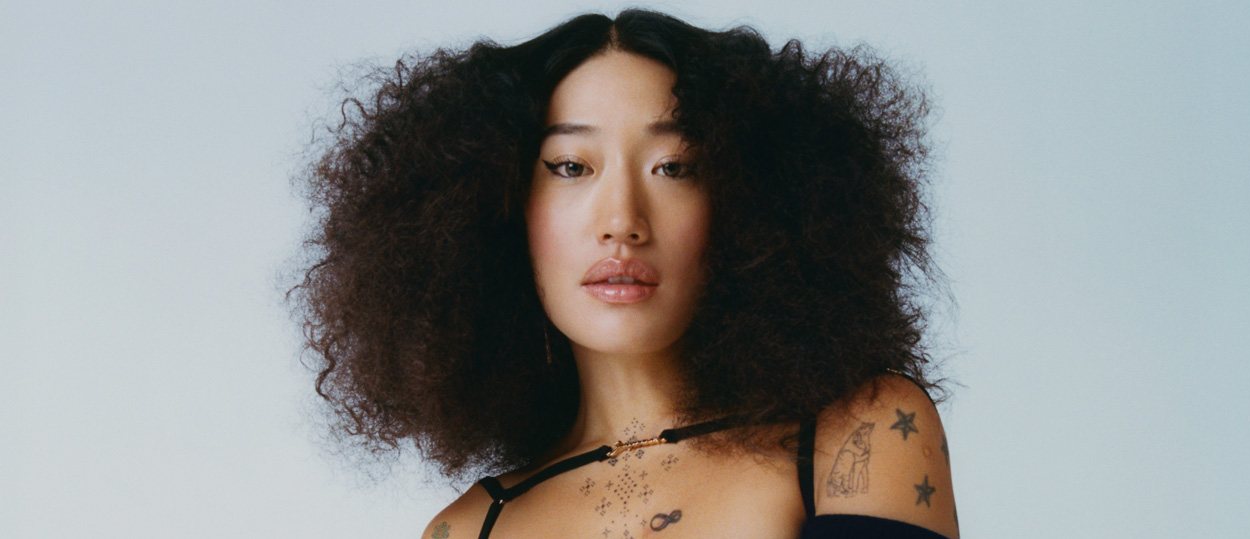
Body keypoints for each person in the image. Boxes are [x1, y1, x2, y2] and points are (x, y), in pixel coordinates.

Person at [289, 8, 956, 538]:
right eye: (570, 167)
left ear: (748, 201)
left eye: (674, 167)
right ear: (496, 208)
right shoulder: (469, 527)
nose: (622, 220)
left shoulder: (857, 432)